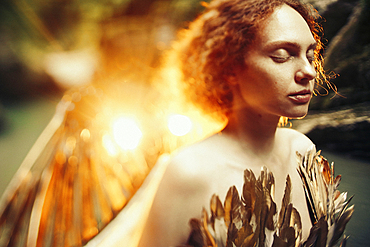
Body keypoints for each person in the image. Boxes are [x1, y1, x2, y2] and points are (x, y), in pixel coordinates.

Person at [138, 0, 328, 246]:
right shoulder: (189, 172)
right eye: (282, 55)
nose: (308, 71)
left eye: (310, 55)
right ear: (229, 67)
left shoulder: (303, 152)